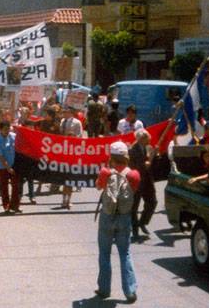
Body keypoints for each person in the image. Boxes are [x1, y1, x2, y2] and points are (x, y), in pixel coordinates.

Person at [94, 141, 140, 304]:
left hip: (107, 216)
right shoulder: (133, 174)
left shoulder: (105, 172)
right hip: (124, 217)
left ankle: (104, 289)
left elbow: (98, 187)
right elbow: (133, 191)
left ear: (111, 157)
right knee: (125, 253)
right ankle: (130, 291)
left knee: (104, 253)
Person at [129, 129, 157, 238]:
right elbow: (133, 166)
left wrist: (151, 156)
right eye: (147, 138)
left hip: (147, 181)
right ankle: (135, 230)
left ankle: (143, 222)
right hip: (137, 182)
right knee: (134, 208)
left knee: (152, 202)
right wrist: (145, 163)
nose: (149, 139)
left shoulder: (145, 148)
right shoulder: (133, 150)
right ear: (141, 138)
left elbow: (148, 162)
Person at [0, 121, 20, 213]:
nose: (7, 131)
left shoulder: (13, 136)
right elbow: (1, 157)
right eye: (5, 129)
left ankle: (15, 206)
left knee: (16, 186)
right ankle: (6, 205)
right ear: (0, 130)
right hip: (3, 167)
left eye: (8, 129)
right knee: (4, 187)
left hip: (15, 166)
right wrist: (8, 168)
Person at [60, 107, 83, 209]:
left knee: (71, 180)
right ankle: (63, 200)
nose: (64, 113)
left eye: (65, 112)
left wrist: (73, 139)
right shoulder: (62, 121)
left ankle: (68, 200)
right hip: (62, 151)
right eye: (63, 112)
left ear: (70, 113)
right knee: (64, 179)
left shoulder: (77, 122)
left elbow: (80, 135)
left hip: (73, 151)